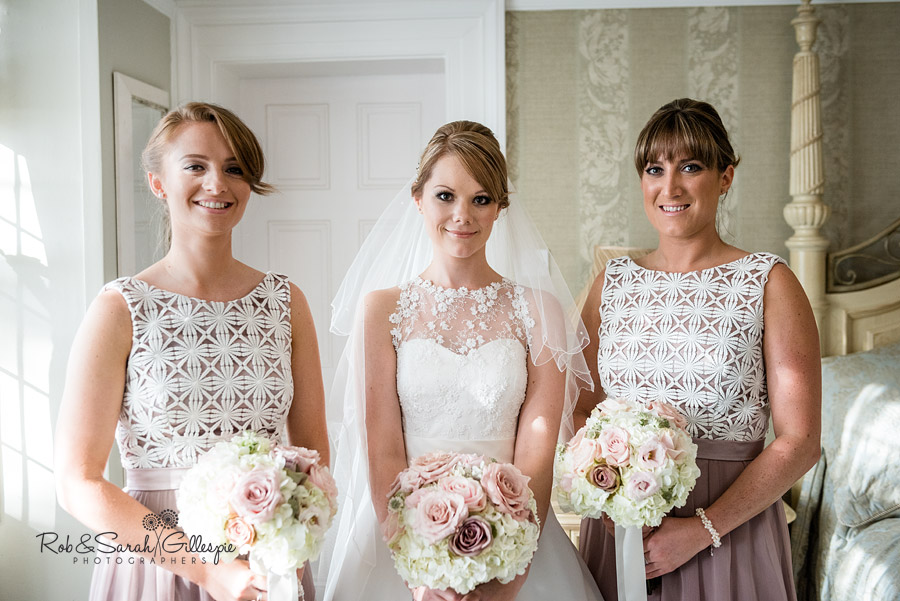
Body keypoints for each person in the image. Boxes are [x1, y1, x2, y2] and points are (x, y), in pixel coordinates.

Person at [55, 102, 329, 601]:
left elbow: (314, 459)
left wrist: (281, 550)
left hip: (264, 568)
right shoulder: (120, 309)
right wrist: (208, 573)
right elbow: (77, 482)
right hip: (154, 567)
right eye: (196, 166)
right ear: (159, 182)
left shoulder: (287, 304)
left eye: (234, 169)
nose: (217, 184)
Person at [320, 121, 604, 601]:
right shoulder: (381, 310)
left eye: (481, 199)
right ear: (418, 199)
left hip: (518, 541)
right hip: (405, 538)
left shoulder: (539, 311)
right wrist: (419, 571)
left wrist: (507, 578)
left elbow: (536, 454)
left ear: (500, 208)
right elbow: (383, 446)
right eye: (445, 195)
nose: (462, 215)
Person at [575, 98, 821, 601]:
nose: (671, 187)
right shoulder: (611, 284)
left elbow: (800, 441)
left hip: (732, 534)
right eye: (654, 169)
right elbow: (580, 407)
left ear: (725, 177)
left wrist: (702, 530)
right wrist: (610, 501)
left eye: (691, 167)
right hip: (623, 535)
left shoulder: (768, 282)